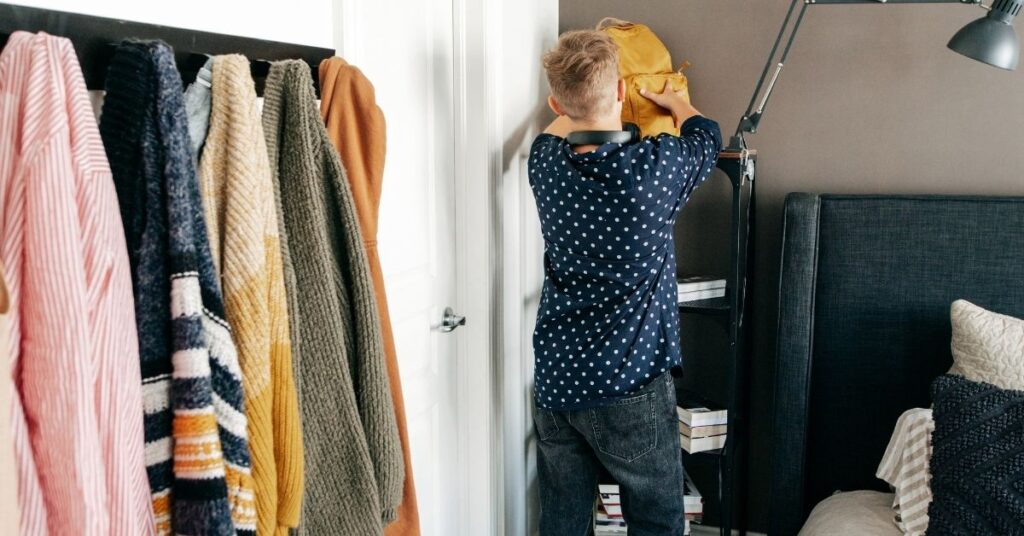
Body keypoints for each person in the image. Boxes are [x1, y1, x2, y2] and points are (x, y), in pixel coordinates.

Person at [528, 29, 723, 536]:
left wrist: (575, 100)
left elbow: (555, 128)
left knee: (563, 515)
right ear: (620, 93)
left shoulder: (546, 165)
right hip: (627, 384)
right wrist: (675, 99)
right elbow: (707, 134)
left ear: (555, 102)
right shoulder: (655, 169)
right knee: (656, 516)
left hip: (557, 378)